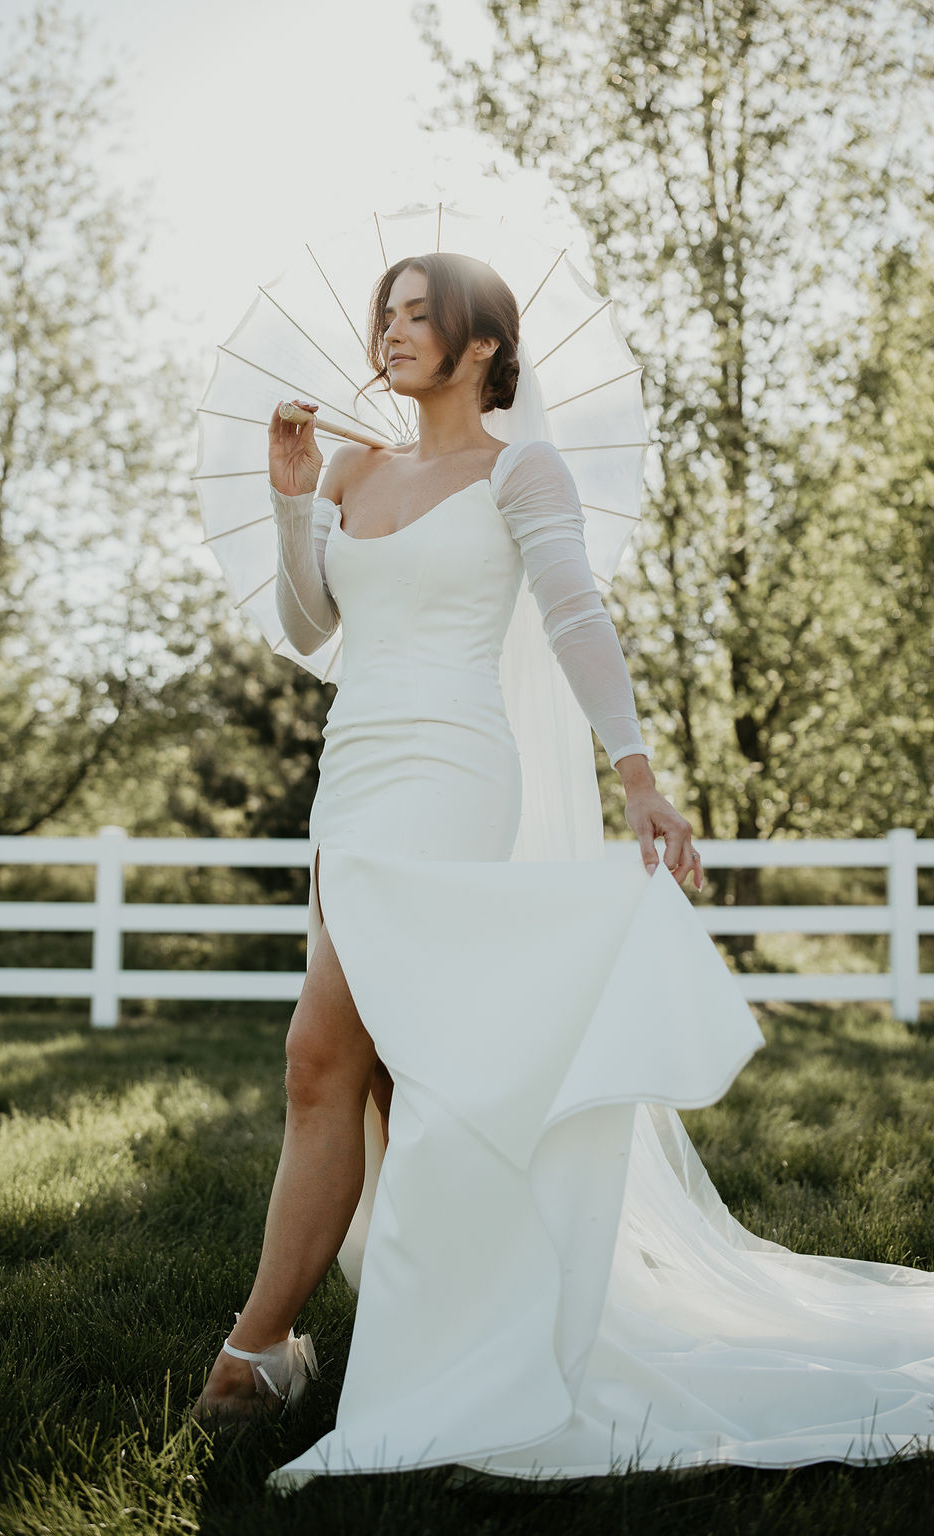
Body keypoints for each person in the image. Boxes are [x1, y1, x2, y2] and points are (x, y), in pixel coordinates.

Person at [194, 253, 934, 1486]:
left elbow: (576, 612)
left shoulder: (518, 469)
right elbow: (315, 627)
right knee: (382, 1078)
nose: (395, 329)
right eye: (388, 313)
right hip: (354, 780)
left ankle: (258, 1349)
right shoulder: (351, 465)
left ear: (483, 346)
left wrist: (637, 772)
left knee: (319, 1053)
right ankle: (440, 1327)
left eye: (422, 314)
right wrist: (289, 500)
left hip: (450, 776)